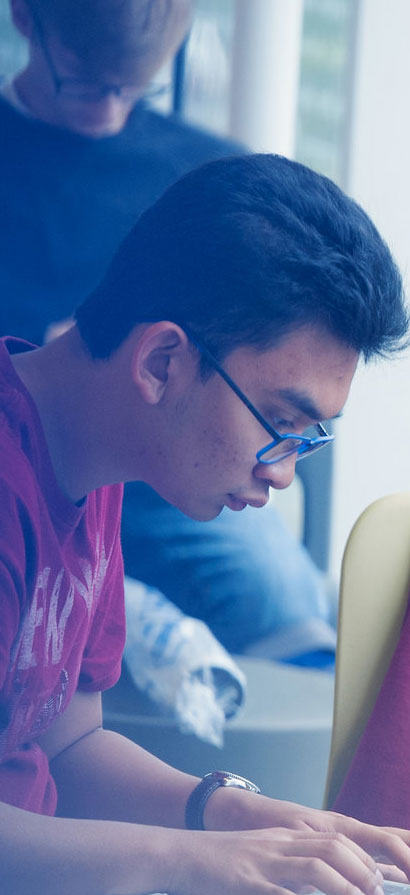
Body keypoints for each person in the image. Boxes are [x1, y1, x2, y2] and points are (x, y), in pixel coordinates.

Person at [0, 153, 410, 895]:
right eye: (281, 423)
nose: (283, 474)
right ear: (160, 361)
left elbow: (66, 744)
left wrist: (238, 817)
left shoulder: (91, 469)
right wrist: (182, 860)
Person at [1, 0, 337, 665]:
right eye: (86, 80)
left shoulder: (205, 181)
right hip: (49, 445)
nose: (107, 110)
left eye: (134, 88)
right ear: (23, 19)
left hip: (166, 479)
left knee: (288, 600)